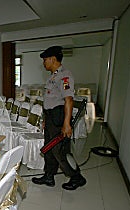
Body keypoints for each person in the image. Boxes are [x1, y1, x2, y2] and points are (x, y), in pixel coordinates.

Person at [32, 46, 86, 190]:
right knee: (49, 149)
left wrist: (67, 124)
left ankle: (76, 177)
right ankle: (49, 176)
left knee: (60, 151)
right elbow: (49, 100)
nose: (43, 63)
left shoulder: (64, 76)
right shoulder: (52, 77)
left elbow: (68, 100)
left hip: (59, 118)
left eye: (45, 60)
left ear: (53, 59)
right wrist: (45, 119)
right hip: (51, 118)